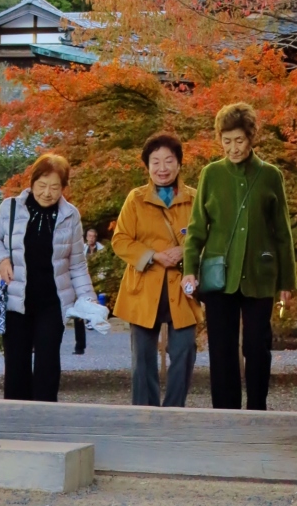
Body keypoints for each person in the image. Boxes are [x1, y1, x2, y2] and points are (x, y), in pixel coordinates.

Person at [182, 102, 296, 411]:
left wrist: (287, 281)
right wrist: (190, 270)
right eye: (226, 141)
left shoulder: (270, 175)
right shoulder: (211, 174)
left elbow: (282, 232)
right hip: (220, 275)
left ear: (251, 138)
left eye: (239, 140)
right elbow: (196, 229)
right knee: (222, 349)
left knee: (258, 346)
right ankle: (226, 414)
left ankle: (257, 408)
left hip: (260, 274)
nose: (233, 148)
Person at [0, 152, 97, 402]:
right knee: (16, 366)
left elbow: (77, 264)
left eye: (55, 187)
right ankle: (16, 424)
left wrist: (89, 300)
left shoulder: (71, 215)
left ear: (63, 188)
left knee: (47, 365)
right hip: (16, 301)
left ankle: (45, 421)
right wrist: (1, 259)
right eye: (42, 186)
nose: (47, 193)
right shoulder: (10, 207)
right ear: (32, 183)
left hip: (52, 303)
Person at [112, 132, 202, 408]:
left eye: (168, 161)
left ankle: (174, 412)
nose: (162, 168)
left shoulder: (194, 198)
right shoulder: (135, 199)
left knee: (185, 350)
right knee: (142, 357)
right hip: (143, 287)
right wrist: (153, 256)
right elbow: (120, 240)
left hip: (182, 288)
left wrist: (184, 253)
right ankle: (144, 413)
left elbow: (206, 239)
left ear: (179, 164)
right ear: (147, 166)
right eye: (155, 162)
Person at [74, 227, 105, 356]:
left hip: (96, 278)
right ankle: (79, 345)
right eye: (89, 236)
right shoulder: (81, 249)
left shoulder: (101, 250)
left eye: (93, 236)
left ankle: (94, 321)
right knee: (78, 311)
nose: (91, 238)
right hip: (81, 280)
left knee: (95, 301)